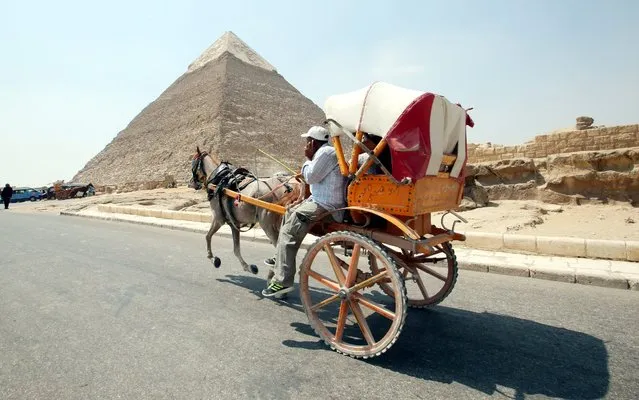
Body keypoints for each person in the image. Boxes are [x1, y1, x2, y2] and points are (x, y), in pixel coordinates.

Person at [261, 126, 346, 297]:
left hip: (326, 205)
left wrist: (307, 159)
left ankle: (282, 281)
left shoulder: (325, 153)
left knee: (287, 232)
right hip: (319, 200)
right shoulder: (324, 152)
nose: (305, 145)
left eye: (307, 142)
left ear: (313, 142)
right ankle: (280, 258)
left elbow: (310, 176)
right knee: (288, 211)